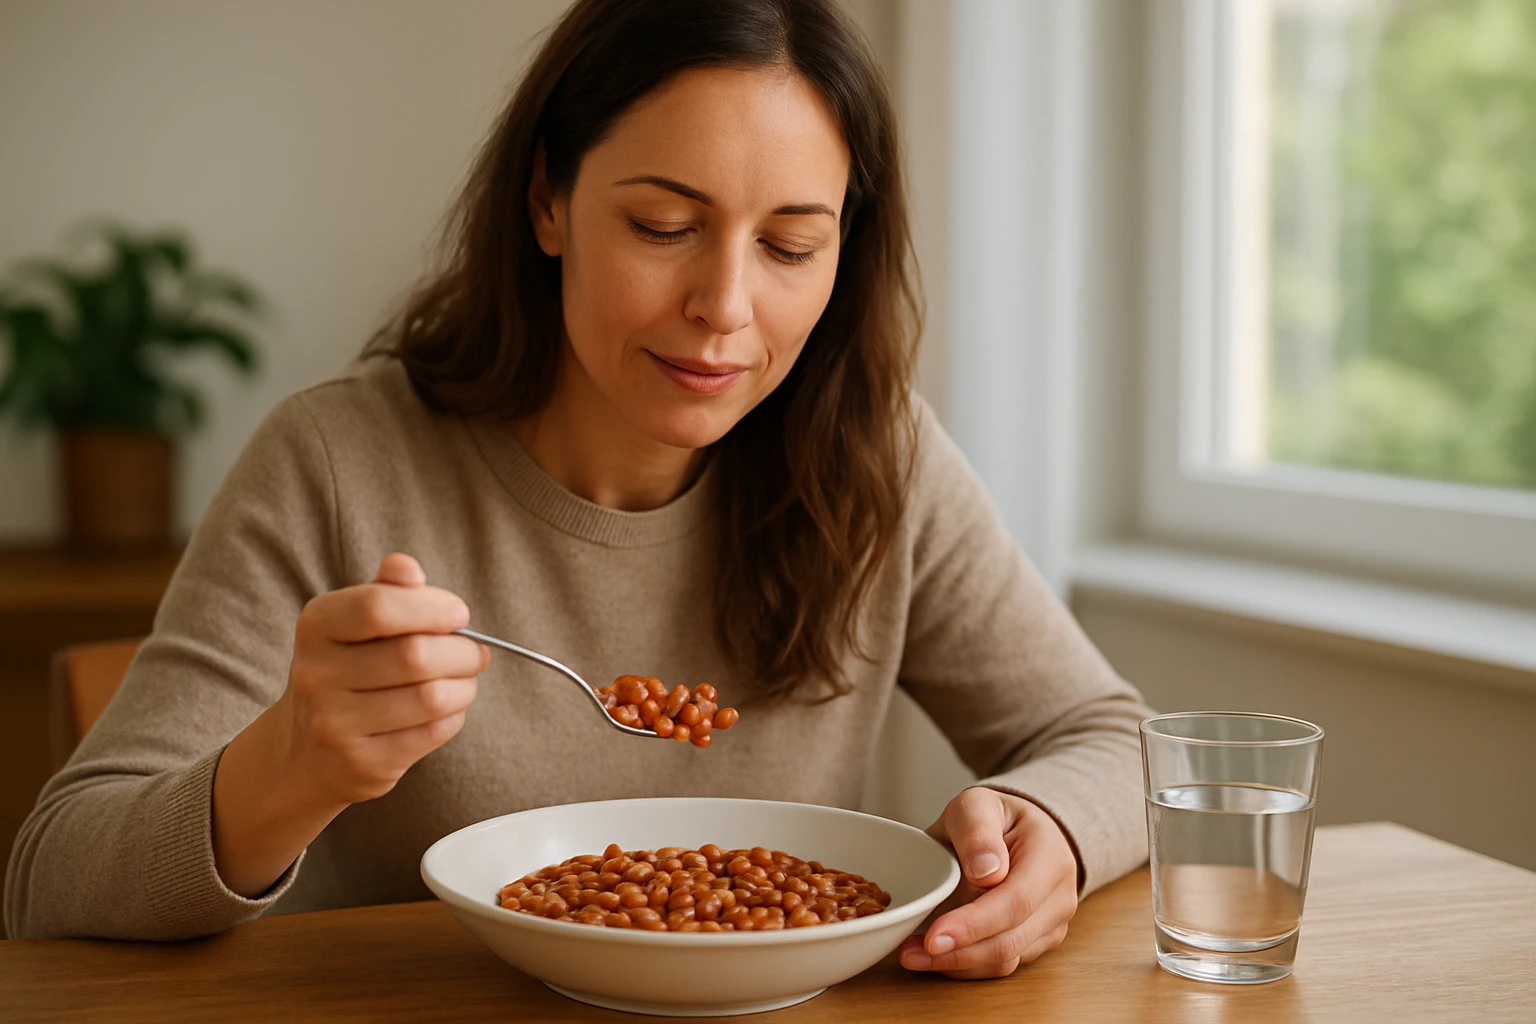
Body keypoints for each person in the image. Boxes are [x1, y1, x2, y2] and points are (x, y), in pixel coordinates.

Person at [4, 0, 1151, 978]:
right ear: (549, 200)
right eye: (664, 225)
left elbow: (1117, 736)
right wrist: (292, 766)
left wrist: (1047, 827)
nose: (725, 305)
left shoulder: (875, 457)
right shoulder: (338, 462)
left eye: (791, 246)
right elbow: (51, 878)